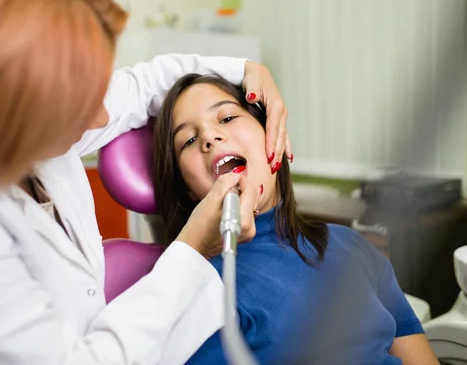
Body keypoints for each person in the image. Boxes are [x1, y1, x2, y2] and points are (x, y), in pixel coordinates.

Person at [0, 0, 292, 364]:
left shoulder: (341, 248)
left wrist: (245, 70)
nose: (101, 120)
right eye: (82, 103)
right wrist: (194, 248)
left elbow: (142, 86)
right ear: (10, 114)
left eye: (229, 118)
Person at [152, 73, 440, 365]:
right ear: (188, 189)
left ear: (272, 133)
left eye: (226, 118)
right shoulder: (203, 291)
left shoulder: (352, 246)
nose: (209, 137)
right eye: (188, 140)